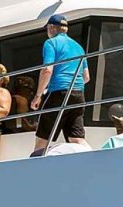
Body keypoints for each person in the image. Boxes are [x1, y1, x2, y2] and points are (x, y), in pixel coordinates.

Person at [30, 14, 90, 153]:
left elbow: (47, 70)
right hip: (78, 93)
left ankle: (34, 170)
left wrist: (38, 96)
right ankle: (95, 161)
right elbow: (86, 77)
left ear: (51, 28)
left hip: (58, 92)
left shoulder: (51, 43)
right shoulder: (78, 47)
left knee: (42, 141)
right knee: (76, 139)